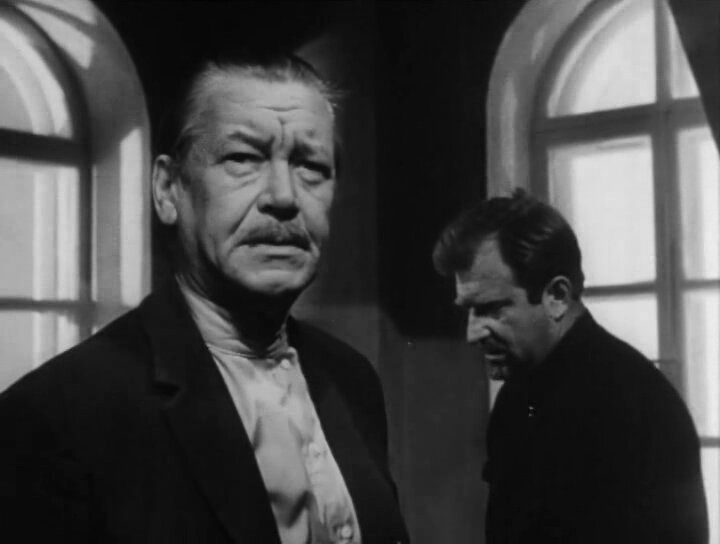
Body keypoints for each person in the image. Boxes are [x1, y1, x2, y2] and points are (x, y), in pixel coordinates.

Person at [0, 52, 408, 544]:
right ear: (168, 189)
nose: (283, 196)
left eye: (310, 165)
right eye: (243, 159)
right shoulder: (57, 416)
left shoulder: (352, 379)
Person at [433, 191, 708, 543]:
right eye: (468, 311)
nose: (472, 334)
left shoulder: (632, 404)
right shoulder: (516, 399)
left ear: (558, 296)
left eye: (490, 309)